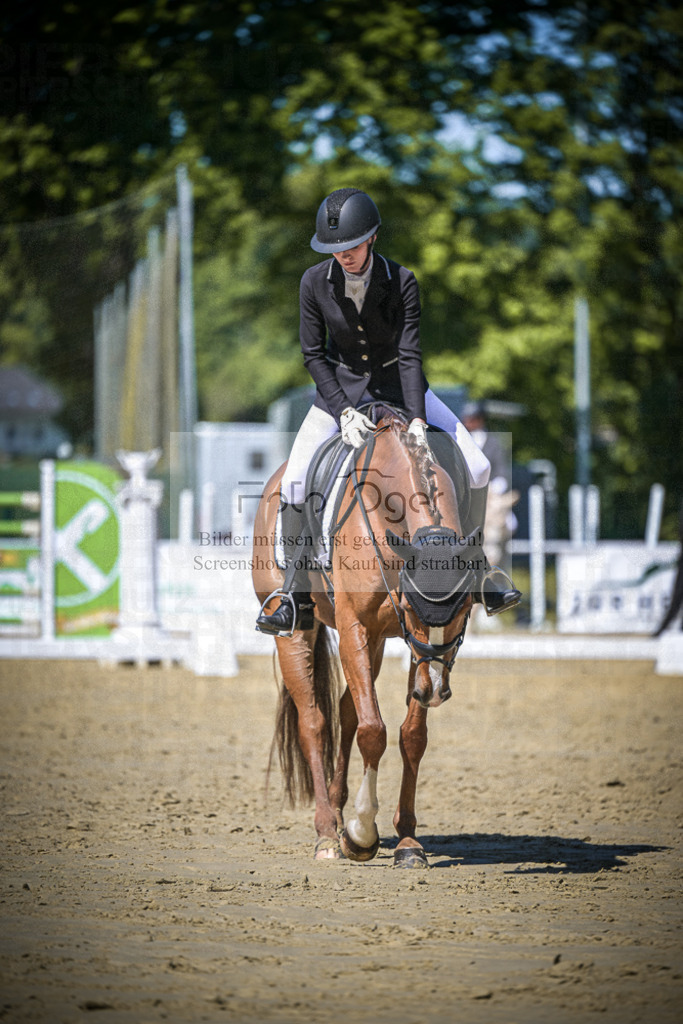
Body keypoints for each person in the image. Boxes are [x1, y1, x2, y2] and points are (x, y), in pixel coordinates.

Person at [256, 188, 521, 635]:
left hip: (402, 389)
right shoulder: (313, 283)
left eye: (352, 246)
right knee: (297, 479)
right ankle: (294, 591)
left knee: (476, 464)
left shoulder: (402, 281)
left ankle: (477, 570)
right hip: (339, 396)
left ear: (372, 238)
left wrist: (417, 419)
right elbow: (313, 355)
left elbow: (410, 354)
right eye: (336, 250)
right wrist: (342, 411)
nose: (345, 256)